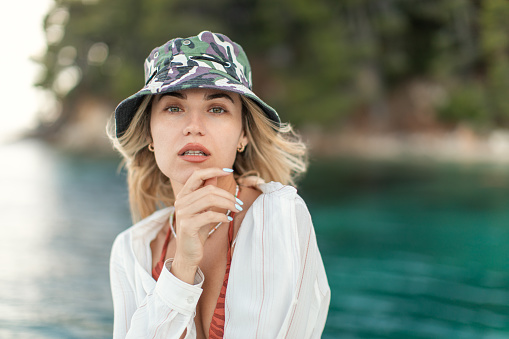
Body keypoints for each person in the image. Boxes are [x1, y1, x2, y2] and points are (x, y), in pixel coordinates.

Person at [108, 31, 330, 338]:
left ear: (243, 135)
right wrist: (183, 266)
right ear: (149, 135)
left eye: (217, 109)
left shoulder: (277, 218)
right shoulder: (133, 250)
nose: (194, 128)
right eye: (174, 107)